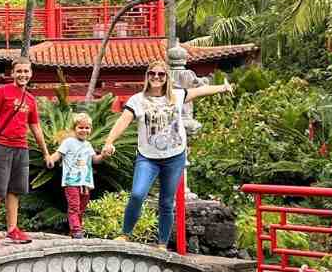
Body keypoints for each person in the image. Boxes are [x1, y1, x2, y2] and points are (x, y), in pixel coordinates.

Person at [100, 59, 234, 248]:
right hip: (148, 157)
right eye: (152, 73)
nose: (156, 77)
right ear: (147, 76)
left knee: (166, 201)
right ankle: (125, 234)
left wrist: (223, 87)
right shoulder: (137, 100)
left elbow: (200, 91)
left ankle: (162, 243)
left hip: (174, 156)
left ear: (166, 77)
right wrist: (109, 142)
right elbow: (123, 121)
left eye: (160, 74)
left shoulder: (177, 95)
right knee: (138, 194)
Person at [0, 56, 51, 248]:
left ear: (31, 73)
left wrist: (45, 153)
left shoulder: (31, 100)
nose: (22, 75)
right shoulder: (2, 91)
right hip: (1, 145)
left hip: (22, 147)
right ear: (13, 73)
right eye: (19, 71)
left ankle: (12, 229)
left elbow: (36, 128)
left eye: (26, 71)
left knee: (15, 191)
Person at [46, 112, 103, 239]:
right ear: (74, 128)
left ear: (90, 129)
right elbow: (58, 154)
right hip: (71, 181)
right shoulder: (68, 142)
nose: (84, 130)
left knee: (82, 208)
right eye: (80, 127)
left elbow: (95, 160)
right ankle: (76, 230)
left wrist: (104, 155)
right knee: (74, 206)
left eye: (86, 127)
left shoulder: (88, 145)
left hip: (85, 182)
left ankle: (75, 231)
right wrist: (51, 159)